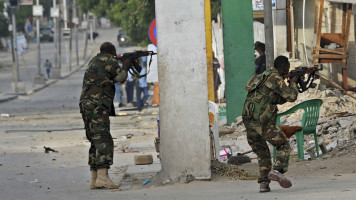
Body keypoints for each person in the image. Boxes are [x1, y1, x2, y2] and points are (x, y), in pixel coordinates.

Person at [242, 56, 299, 193]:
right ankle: (277, 171)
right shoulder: (275, 78)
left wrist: (288, 82)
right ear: (285, 67)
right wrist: (293, 82)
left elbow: (277, 99)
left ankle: (264, 184)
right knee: (283, 145)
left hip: (249, 121)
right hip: (262, 122)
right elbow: (291, 97)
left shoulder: (263, 76)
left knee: (263, 153)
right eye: (288, 67)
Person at [79, 42, 132, 189]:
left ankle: (95, 179)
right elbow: (120, 78)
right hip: (97, 105)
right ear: (112, 52)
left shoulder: (94, 61)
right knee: (104, 140)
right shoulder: (109, 60)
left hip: (85, 105)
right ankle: (103, 177)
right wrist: (126, 66)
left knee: (95, 140)